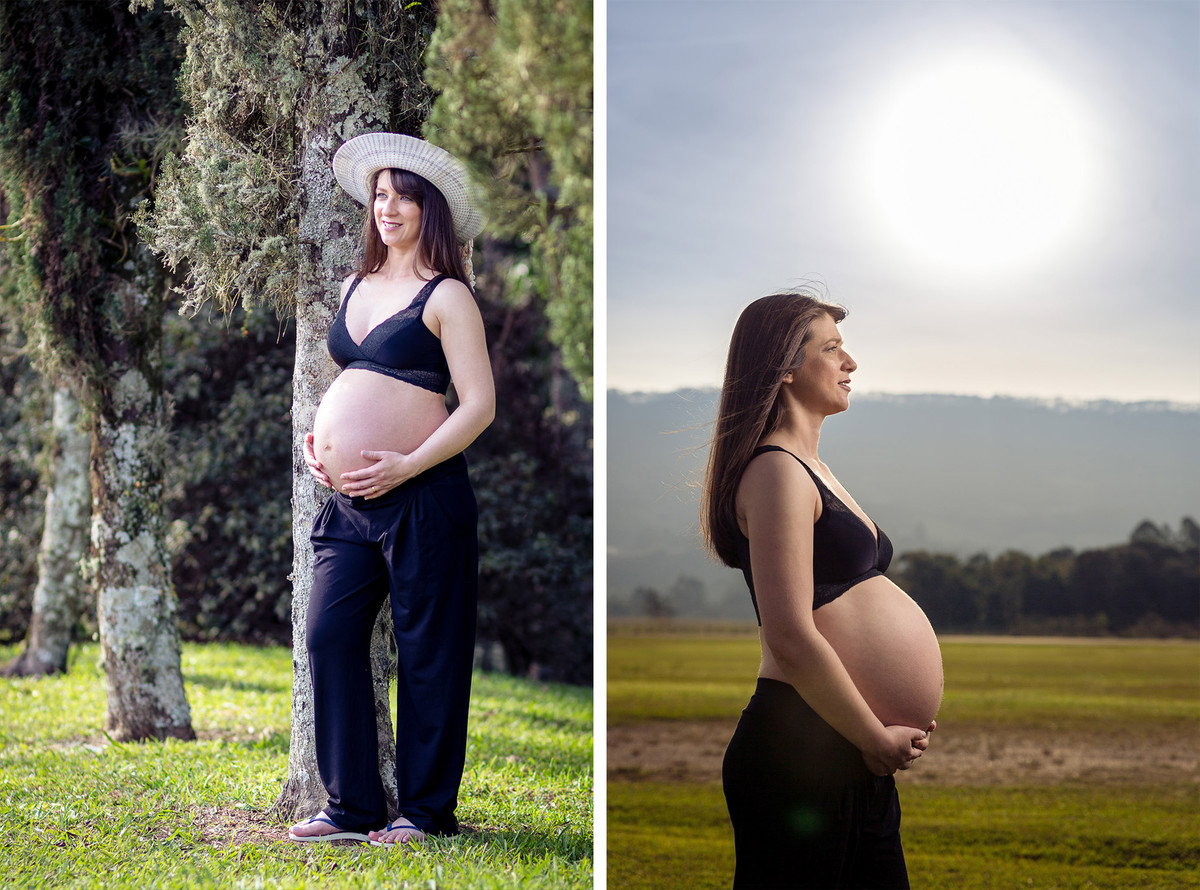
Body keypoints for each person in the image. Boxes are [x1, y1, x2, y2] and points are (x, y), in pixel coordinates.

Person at [288, 132, 494, 848]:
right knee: (328, 633)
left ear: (428, 208)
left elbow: (477, 406)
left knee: (429, 651)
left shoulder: (448, 297)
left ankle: (424, 813)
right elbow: (351, 384)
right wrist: (323, 449)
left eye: (403, 196)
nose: (389, 208)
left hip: (424, 495)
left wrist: (407, 465)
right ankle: (350, 807)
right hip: (347, 502)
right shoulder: (354, 288)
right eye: (380, 195)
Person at [701, 292, 943, 889]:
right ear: (784, 366)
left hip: (844, 752)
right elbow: (788, 633)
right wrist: (872, 734)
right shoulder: (776, 470)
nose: (850, 362)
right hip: (803, 751)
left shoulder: (810, 467)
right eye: (831, 348)